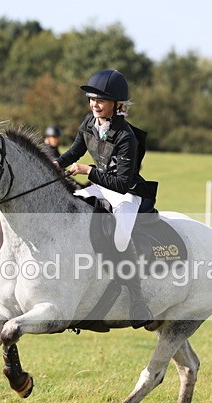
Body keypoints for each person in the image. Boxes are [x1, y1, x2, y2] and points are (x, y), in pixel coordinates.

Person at [55, 69, 158, 328]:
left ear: (117, 104)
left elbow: (121, 183)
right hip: (99, 187)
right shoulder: (89, 123)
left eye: (100, 100)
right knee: (69, 209)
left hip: (126, 193)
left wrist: (87, 170)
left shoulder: (126, 137)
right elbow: (74, 152)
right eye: (91, 99)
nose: (94, 104)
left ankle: (137, 300)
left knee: (121, 239)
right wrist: (53, 164)